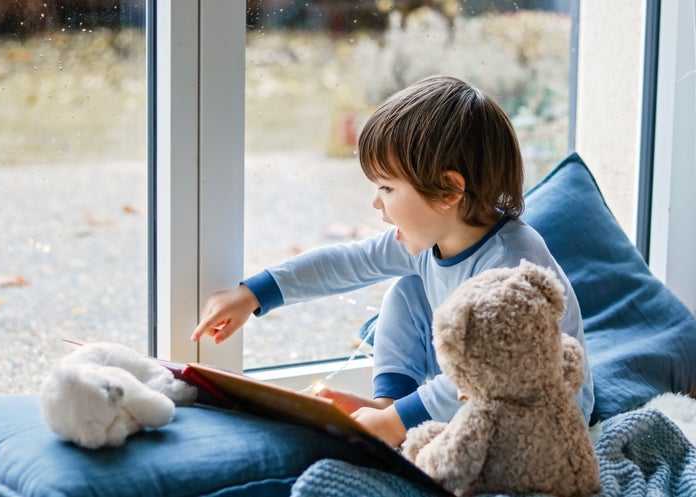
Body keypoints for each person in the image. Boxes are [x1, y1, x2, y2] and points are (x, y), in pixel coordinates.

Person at [191, 75, 594, 448]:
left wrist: (398, 423)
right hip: (472, 391)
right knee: (408, 289)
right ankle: (391, 405)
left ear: (449, 190)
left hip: (537, 419)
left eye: (387, 187)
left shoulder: (509, 267)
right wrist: (252, 294)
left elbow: (488, 374)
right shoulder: (429, 239)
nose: (376, 202)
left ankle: (396, 419)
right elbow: (346, 264)